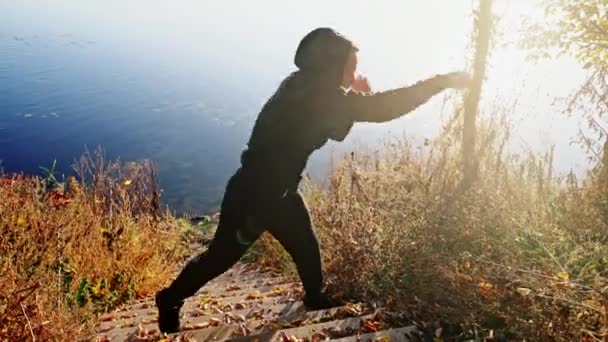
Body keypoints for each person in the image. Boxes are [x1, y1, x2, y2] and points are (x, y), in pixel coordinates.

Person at [155, 27, 471, 333]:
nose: (351, 76)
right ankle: (169, 299)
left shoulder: (299, 84)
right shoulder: (325, 99)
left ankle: (315, 299)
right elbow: (386, 108)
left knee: (306, 245)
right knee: (219, 259)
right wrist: (440, 82)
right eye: (350, 69)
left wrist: (353, 95)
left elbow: (332, 117)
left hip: (279, 193)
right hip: (253, 197)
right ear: (330, 67)